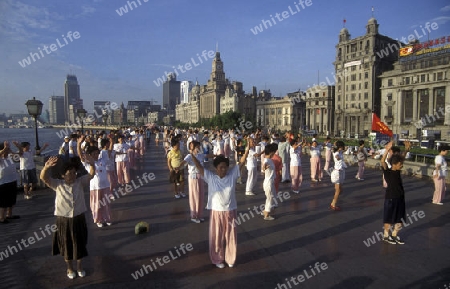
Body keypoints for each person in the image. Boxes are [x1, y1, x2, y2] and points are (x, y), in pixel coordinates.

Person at [189, 146, 250, 268]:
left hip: (230, 211)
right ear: (215, 168)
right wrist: (192, 156)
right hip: (216, 211)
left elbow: (242, 162)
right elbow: (200, 168)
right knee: (216, 236)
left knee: (231, 236)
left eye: (225, 167)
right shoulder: (210, 177)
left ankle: (230, 258)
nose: (223, 169)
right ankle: (217, 259)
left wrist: (247, 149)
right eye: (221, 167)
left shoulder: (232, 175)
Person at [40, 155, 96, 279]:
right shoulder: (57, 184)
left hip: (78, 219)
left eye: (74, 173)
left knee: (80, 244)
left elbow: (91, 174)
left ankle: (80, 267)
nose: (73, 175)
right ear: (63, 175)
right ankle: (70, 268)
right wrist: (46, 167)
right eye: (69, 173)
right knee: (66, 245)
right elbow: (44, 178)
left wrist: (92, 164)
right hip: (63, 220)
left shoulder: (80, 182)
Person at [78, 136, 112, 227]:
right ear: (89, 155)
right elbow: (80, 155)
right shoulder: (88, 164)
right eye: (93, 154)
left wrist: (111, 141)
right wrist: (79, 144)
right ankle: (98, 220)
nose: (95, 155)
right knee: (96, 205)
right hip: (95, 188)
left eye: (97, 153)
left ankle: (107, 218)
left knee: (106, 204)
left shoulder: (102, 160)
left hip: (105, 186)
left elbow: (109, 150)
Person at [380, 141, 406, 245]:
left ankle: (394, 234)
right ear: (394, 164)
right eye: (400, 164)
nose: (402, 166)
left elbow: (402, 157)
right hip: (390, 198)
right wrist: (387, 150)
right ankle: (386, 236)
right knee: (389, 218)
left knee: (400, 219)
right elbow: (382, 161)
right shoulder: (388, 172)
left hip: (400, 197)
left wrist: (407, 149)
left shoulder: (398, 171)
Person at [181, 141, 212, 223]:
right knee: (194, 196)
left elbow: (208, 155)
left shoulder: (200, 155)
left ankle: (199, 215)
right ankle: (194, 216)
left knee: (201, 195)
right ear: (192, 147)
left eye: (199, 146)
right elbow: (184, 162)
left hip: (201, 176)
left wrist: (218, 155)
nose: (199, 148)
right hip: (193, 177)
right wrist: (178, 167)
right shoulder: (189, 156)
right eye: (197, 146)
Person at [0, 141, 19, 223]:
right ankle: (1, 218)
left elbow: (20, 154)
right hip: (3, 183)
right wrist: (4, 149)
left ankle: (9, 215)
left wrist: (18, 146)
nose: (8, 150)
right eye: (7, 149)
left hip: (13, 181)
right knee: (3, 202)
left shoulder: (10, 157)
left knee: (11, 200)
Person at [330, 141, 347, 211]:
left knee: (340, 190)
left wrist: (344, 150)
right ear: (340, 147)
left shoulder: (339, 152)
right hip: (337, 172)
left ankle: (334, 200)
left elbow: (340, 151)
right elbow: (337, 156)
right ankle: (333, 204)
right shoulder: (336, 153)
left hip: (340, 171)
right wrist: (339, 158)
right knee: (338, 190)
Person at [262, 144, 277, 220]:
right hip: (269, 182)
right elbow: (264, 166)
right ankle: (266, 215)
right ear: (271, 152)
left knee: (270, 197)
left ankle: (265, 211)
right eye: (274, 152)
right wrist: (264, 167)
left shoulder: (269, 159)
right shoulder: (267, 160)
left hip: (270, 181)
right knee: (270, 198)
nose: (274, 154)